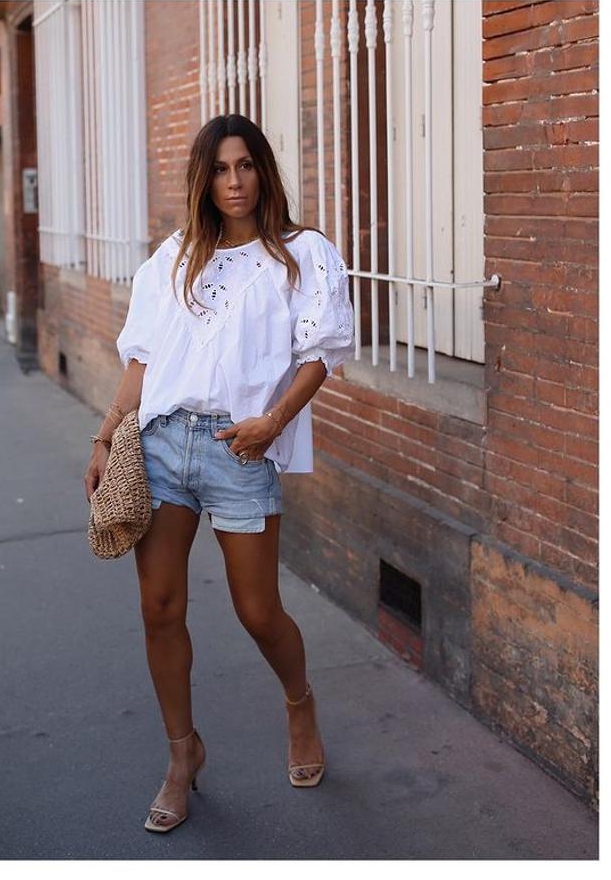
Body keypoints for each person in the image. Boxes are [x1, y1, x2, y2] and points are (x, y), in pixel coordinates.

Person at [84, 113, 355, 833]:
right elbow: (142, 356)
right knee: (159, 608)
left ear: (262, 170)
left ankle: (298, 702)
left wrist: (273, 422)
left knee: (257, 610)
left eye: (245, 166)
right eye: (220, 169)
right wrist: (107, 434)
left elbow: (319, 353)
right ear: (201, 180)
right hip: (165, 444)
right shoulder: (174, 258)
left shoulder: (301, 254)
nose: (233, 182)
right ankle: (183, 755)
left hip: (241, 447)